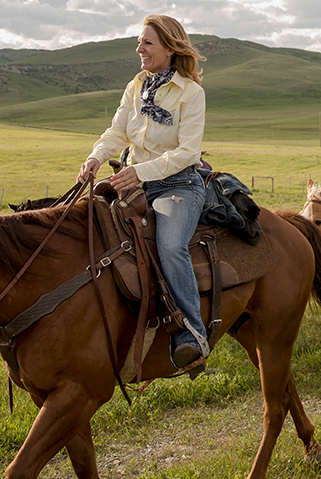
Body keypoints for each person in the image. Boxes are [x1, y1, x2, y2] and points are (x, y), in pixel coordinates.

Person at [78, 14, 210, 369]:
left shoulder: (190, 93)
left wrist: (139, 172)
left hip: (178, 185)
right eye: (139, 42)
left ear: (169, 48)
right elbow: (117, 131)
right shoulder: (136, 86)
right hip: (133, 180)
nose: (139, 49)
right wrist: (95, 157)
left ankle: (192, 335)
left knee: (169, 246)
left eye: (147, 43)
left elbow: (187, 153)